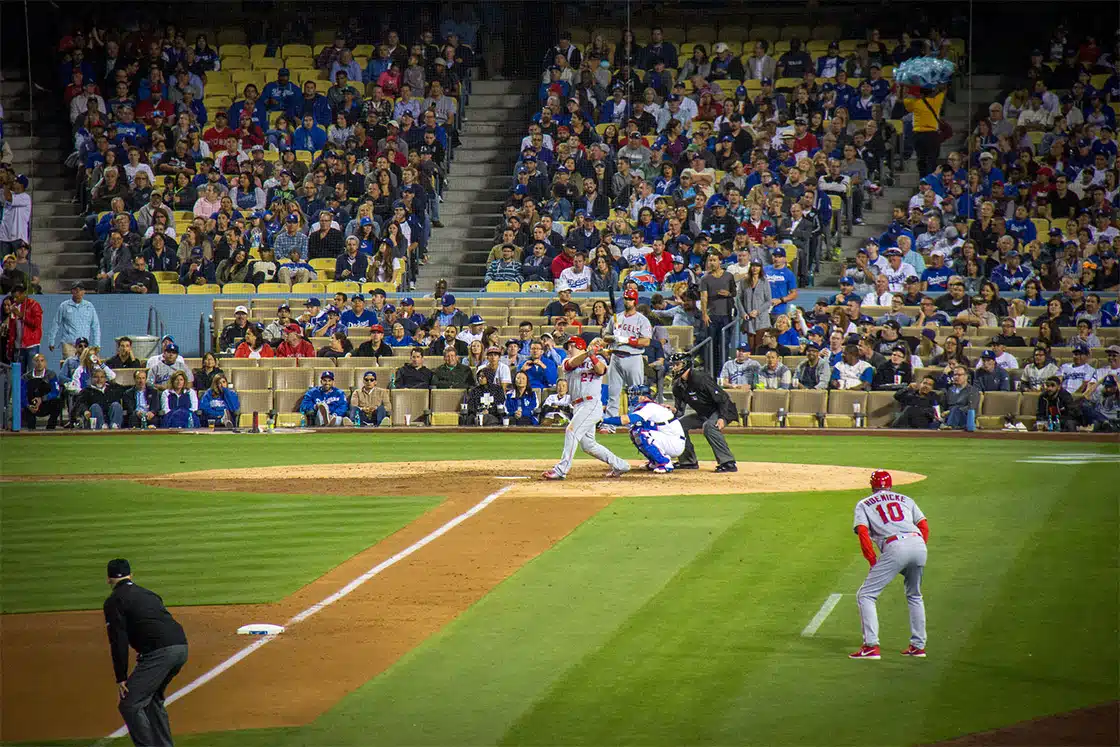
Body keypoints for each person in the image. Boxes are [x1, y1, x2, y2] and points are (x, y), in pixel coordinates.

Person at [103, 558, 189, 747]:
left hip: (160, 653)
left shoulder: (114, 601)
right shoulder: (149, 594)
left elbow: (118, 640)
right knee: (152, 701)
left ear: (108, 579)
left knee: (129, 704)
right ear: (131, 575)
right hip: (181, 647)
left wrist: (121, 676)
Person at [849, 470, 930, 659]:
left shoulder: (863, 504)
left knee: (866, 595)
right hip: (918, 544)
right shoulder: (906, 499)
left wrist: (872, 560)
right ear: (890, 485)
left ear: (872, 486)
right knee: (915, 595)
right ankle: (918, 646)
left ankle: (870, 646)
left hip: (895, 546)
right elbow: (924, 526)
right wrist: (916, 549)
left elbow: (862, 531)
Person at [542, 336, 631, 480]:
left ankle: (561, 470)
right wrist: (589, 353)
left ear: (578, 345)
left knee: (571, 431)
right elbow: (570, 364)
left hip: (591, 404)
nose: (568, 350)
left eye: (570, 346)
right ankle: (620, 465)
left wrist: (593, 356)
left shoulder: (599, 360)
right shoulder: (567, 361)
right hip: (577, 406)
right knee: (588, 445)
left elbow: (601, 370)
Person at [666, 352, 739, 472]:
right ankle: (688, 461)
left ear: (686, 364)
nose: (674, 368)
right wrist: (672, 410)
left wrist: (722, 417)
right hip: (704, 413)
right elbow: (679, 411)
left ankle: (728, 462)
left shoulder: (700, 378)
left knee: (709, 426)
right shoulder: (677, 386)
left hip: (723, 410)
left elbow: (723, 398)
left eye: (677, 364)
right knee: (678, 425)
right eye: (673, 365)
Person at [601, 384, 686, 473]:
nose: (632, 397)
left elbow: (626, 420)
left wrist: (603, 420)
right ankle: (655, 461)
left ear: (645, 397)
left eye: (636, 394)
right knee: (635, 430)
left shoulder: (649, 407)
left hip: (674, 443)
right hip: (669, 439)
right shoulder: (649, 406)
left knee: (640, 432)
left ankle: (664, 462)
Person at [601, 288, 652, 430]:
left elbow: (646, 341)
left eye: (630, 299)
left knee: (636, 395)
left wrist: (627, 340)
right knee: (613, 394)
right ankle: (609, 425)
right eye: (626, 298)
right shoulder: (616, 318)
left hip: (633, 357)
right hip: (616, 357)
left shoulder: (642, 320)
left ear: (635, 301)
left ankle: (634, 425)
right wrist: (613, 337)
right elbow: (605, 337)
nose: (627, 301)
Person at [48, 283, 101, 360]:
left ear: (84, 292)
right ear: (71, 291)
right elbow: (56, 323)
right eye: (75, 290)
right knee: (70, 366)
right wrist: (51, 341)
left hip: (84, 345)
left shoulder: (89, 306)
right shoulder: (64, 306)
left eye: (80, 290)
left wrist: (97, 344)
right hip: (69, 344)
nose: (78, 292)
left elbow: (95, 325)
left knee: (85, 367)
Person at [6, 284, 43, 371]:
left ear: (23, 294)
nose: (15, 299)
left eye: (17, 297)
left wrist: (21, 315)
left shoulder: (34, 305)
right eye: (13, 297)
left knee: (32, 371)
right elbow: (12, 328)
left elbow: (36, 323)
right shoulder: (14, 307)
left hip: (31, 344)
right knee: (18, 373)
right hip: (18, 345)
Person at [20, 353, 61, 430]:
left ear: (45, 362)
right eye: (37, 361)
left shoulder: (51, 375)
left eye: (42, 361)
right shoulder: (26, 377)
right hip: (31, 404)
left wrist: (42, 399)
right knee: (23, 406)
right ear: (33, 362)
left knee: (57, 403)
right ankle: (31, 429)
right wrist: (28, 405)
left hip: (46, 403)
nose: (39, 363)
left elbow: (55, 392)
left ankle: (50, 428)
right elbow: (22, 394)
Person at [941, 366, 979, 432]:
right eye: (955, 375)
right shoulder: (950, 390)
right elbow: (944, 405)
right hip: (948, 416)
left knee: (956, 409)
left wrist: (952, 411)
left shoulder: (972, 390)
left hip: (965, 417)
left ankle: (949, 427)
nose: (956, 377)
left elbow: (971, 408)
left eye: (959, 375)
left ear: (966, 376)